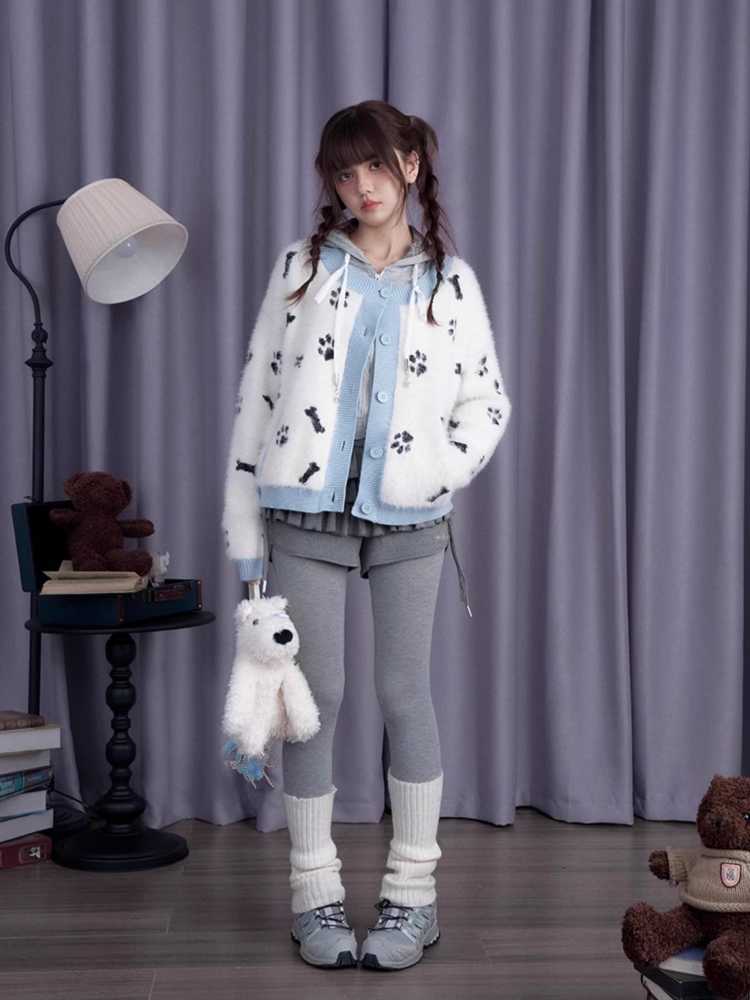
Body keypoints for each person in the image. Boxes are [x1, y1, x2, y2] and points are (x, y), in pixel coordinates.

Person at [222, 100, 512, 971]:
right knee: (315, 700)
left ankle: (412, 899)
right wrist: (245, 539)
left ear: (411, 165)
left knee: (404, 695)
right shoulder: (300, 270)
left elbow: (487, 402)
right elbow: (257, 400)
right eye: (345, 174)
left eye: (378, 167)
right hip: (304, 519)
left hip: (411, 524)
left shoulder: (450, 283)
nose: (363, 186)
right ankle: (313, 894)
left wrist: (433, 472)